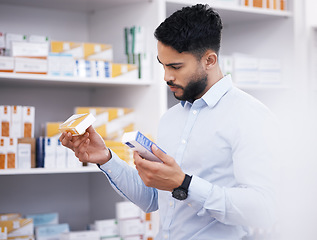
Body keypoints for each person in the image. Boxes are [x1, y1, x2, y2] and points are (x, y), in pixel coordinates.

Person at [60, 4, 277, 239]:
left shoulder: (250, 115)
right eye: (162, 65)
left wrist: (184, 184)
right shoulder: (170, 119)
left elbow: (264, 210)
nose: (166, 77)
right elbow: (153, 199)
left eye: (175, 67)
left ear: (210, 60)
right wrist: (106, 158)